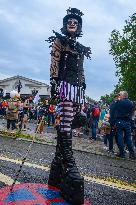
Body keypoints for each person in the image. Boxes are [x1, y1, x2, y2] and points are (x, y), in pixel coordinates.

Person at [46, 8, 91, 204]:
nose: (72, 23)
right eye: (69, 21)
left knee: (75, 119)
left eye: (75, 21)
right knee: (65, 121)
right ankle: (68, 160)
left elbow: (81, 68)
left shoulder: (80, 47)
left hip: (76, 88)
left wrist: (83, 82)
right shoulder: (60, 41)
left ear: (79, 26)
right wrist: (54, 80)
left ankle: (58, 161)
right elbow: (54, 60)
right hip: (64, 84)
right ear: (65, 25)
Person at [114, 91, 135, 159]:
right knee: (128, 138)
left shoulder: (119, 102)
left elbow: (114, 109)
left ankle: (122, 153)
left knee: (120, 137)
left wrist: (118, 98)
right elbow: (132, 114)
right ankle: (132, 154)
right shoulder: (131, 103)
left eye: (120, 94)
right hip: (128, 122)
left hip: (120, 121)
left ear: (123, 95)